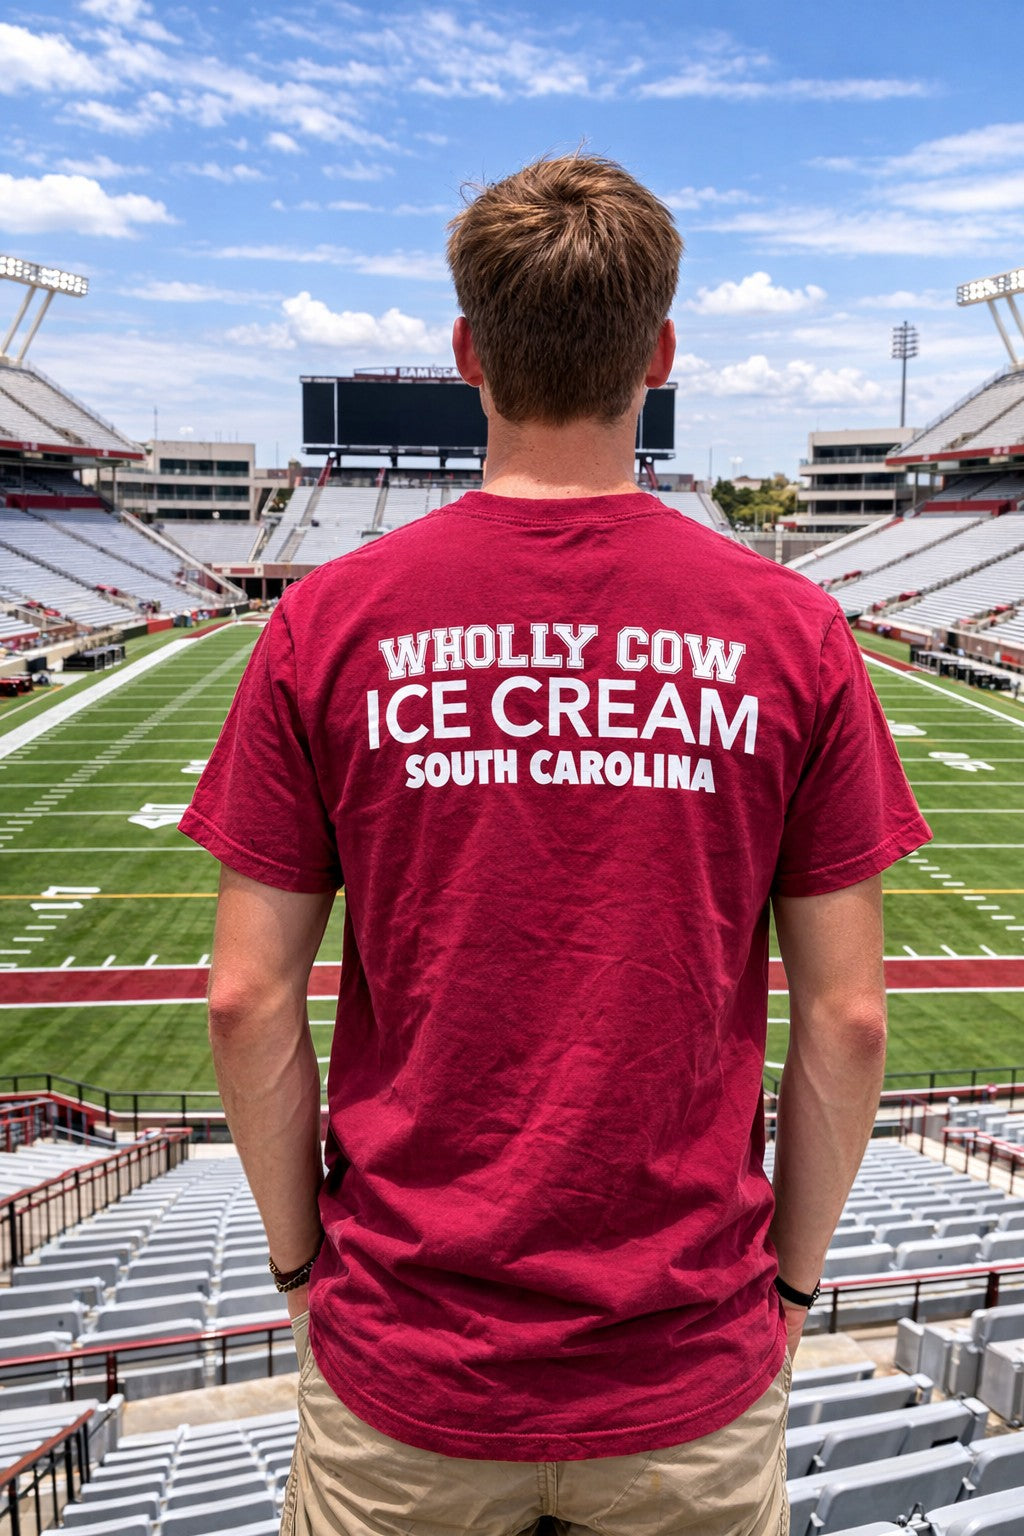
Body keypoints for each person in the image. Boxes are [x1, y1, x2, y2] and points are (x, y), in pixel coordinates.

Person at [180, 153, 931, 1536]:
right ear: (661, 353)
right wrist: (792, 1296)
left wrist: (301, 1273)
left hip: (405, 1362)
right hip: (684, 1367)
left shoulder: (326, 625)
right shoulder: (791, 634)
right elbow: (850, 1020)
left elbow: (242, 997)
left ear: (467, 352)